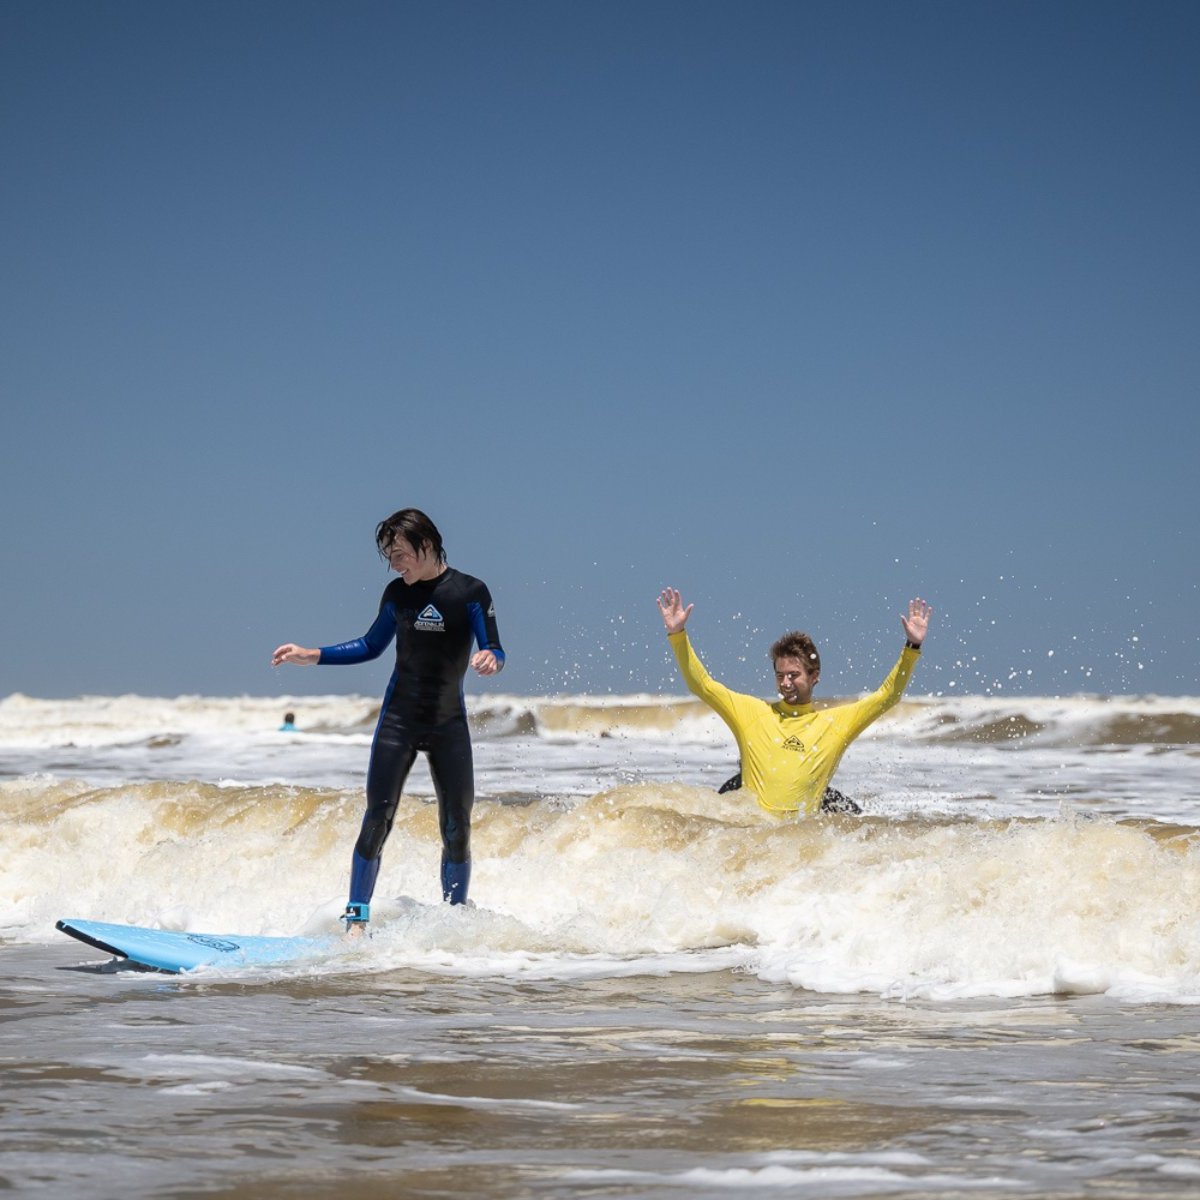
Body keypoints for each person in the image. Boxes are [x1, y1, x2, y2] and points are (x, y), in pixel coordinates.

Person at [272, 508, 504, 932]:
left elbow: (495, 647)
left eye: (400, 555)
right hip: (399, 721)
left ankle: (454, 921)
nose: (395, 565)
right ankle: (356, 922)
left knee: (457, 824)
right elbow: (370, 645)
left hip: (449, 724)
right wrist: (313, 655)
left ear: (426, 545)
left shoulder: (471, 591)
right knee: (378, 816)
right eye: (390, 557)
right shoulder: (397, 594)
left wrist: (491, 658)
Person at [656, 589, 931, 815]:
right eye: (780, 675)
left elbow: (887, 696)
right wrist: (678, 635)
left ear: (814, 676)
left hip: (798, 845)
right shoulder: (752, 712)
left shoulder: (835, 724)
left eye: (794, 675)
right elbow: (702, 685)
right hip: (750, 838)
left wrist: (912, 647)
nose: (785, 683)